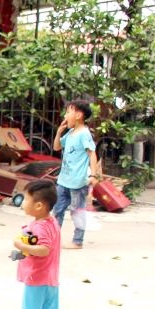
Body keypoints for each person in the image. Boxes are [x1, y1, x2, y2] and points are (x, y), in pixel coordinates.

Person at [6, 181, 61, 309]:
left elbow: (44, 250)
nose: (23, 203)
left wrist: (22, 246)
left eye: (26, 199)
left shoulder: (39, 227)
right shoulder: (52, 222)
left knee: (31, 308)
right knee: (49, 307)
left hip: (37, 275)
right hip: (51, 275)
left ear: (38, 205)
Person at [52, 100, 99, 249]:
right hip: (63, 180)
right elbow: (57, 147)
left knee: (77, 211)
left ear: (78, 115)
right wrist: (60, 131)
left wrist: (93, 175)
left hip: (78, 182)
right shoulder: (71, 133)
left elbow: (92, 154)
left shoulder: (84, 134)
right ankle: (53, 239)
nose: (65, 115)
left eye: (68, 112)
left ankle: (77, 241)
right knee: (57, 210)